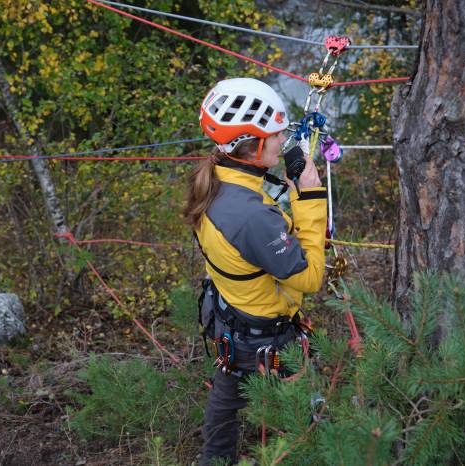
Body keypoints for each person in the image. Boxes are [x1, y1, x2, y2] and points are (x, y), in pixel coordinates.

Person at [183, 77, 328, 465]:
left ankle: (214, 460)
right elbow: (310, 277)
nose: (283, 141)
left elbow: (258, 222)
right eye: (276, 135)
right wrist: (311, 197)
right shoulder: (250, 217)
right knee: (301, 417)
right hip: (266, 338)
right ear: (254, 146)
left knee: (226, 398)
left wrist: (284, 193)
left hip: (233, 320)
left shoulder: (218, 180)